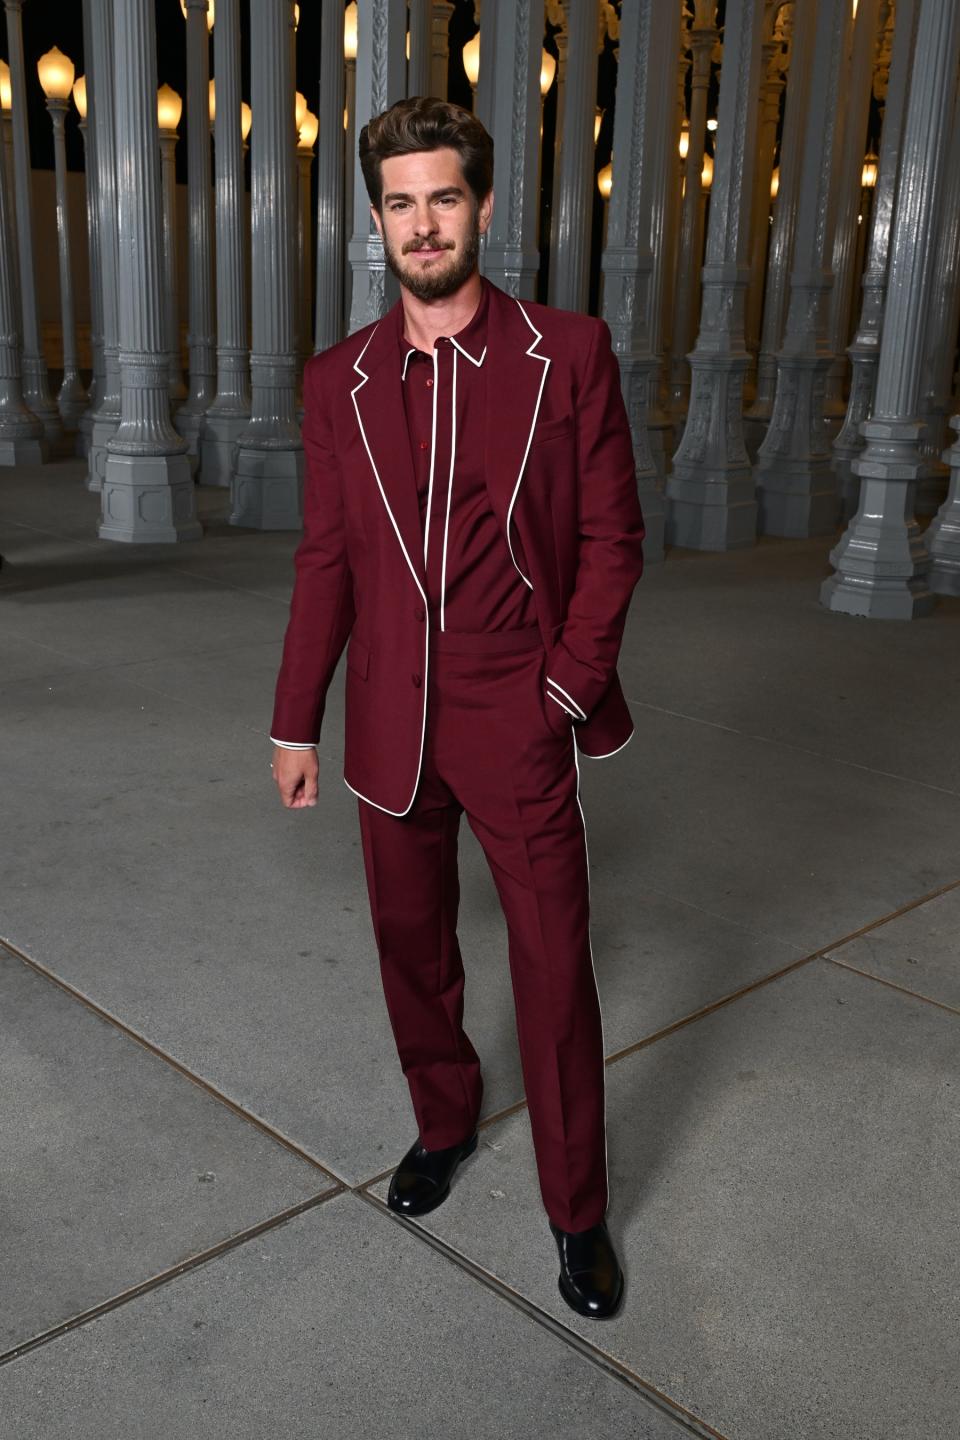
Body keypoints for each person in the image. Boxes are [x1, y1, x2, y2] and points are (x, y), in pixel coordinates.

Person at [270, 97, 644, 1320]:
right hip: (388, 716)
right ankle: (442, 1124)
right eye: (399, 202)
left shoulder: (568, 354)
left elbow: (611, 541)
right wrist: (295, 720)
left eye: (443, 197)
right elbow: (325, 557)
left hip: (514, 706)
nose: (422, 223)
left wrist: (564, 690)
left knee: (550, 967)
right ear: (376, 220)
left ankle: (577, 1211)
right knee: (412, 951)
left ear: (482, 207)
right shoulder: (341, 380)